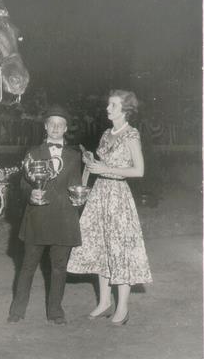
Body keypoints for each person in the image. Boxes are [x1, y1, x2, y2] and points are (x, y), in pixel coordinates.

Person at [67, 89, 152, 326]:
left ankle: (122, 308)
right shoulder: (106, 134)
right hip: (100, 194)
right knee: (101, 249)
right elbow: (103, 165)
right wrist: (92, 163)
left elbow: (139, 170)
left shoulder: (131, 135)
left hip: (118, 196)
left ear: (125, 110)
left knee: (119, 251)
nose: (108, 109)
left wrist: (106, 170)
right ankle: (104, 303)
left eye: (113, 105)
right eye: (108, 105)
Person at [8, 105, 82, 325]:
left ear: (66, 128)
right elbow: (22, 183)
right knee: (28, 266)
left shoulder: (74, 155)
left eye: (60, 124)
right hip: (38, 216)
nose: (56, 128)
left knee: (59, 268)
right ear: (46, 127)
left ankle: (55, 311)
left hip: (63, 218)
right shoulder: (33, 152)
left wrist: (79, 198)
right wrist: (31, 193)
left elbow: (76, 184)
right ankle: (17, 311)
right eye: (52, 124)